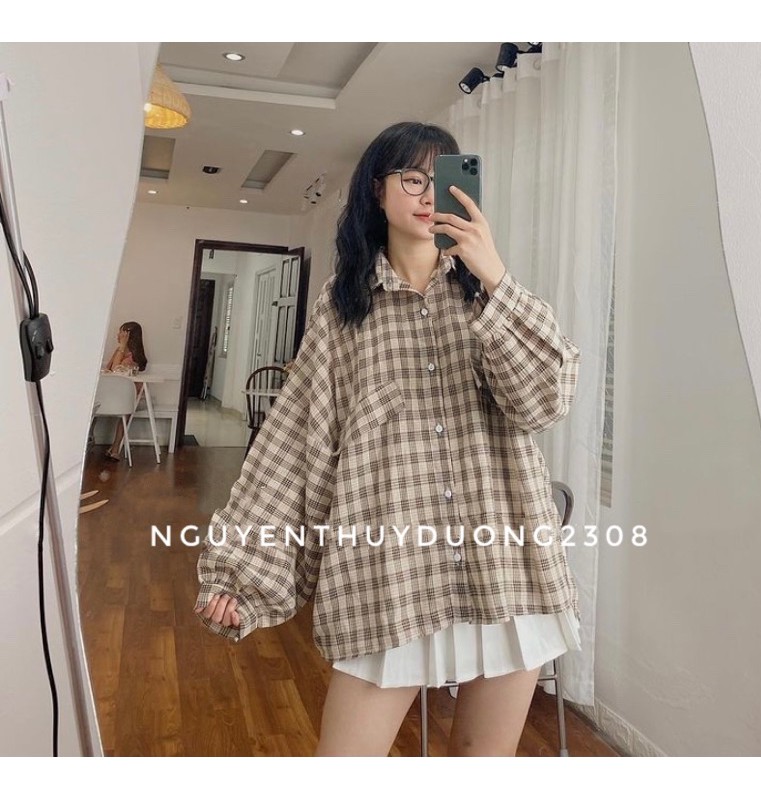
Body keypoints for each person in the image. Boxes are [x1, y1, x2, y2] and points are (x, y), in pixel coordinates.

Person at [194, 121, 582, 756]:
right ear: (377, 190)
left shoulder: (489, 296)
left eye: (441, 179)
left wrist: (496, 278)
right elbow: (295, 442)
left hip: (506, 568)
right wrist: (244, 570)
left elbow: (543, 402)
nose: (429, 194)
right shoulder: (342, 309)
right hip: (388, 575)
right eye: (412, 178)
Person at [103, 321, 147, 461]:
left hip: (129, 395)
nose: (118, 335)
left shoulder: (133, 357)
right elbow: (108, 369)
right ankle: (90, 438)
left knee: (125, 411)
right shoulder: (119, 351)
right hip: (115, 392)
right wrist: (120, 349)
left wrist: (122, 346)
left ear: (128, 336)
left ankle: (116, 447)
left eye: (121, 332)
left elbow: (116, 370)